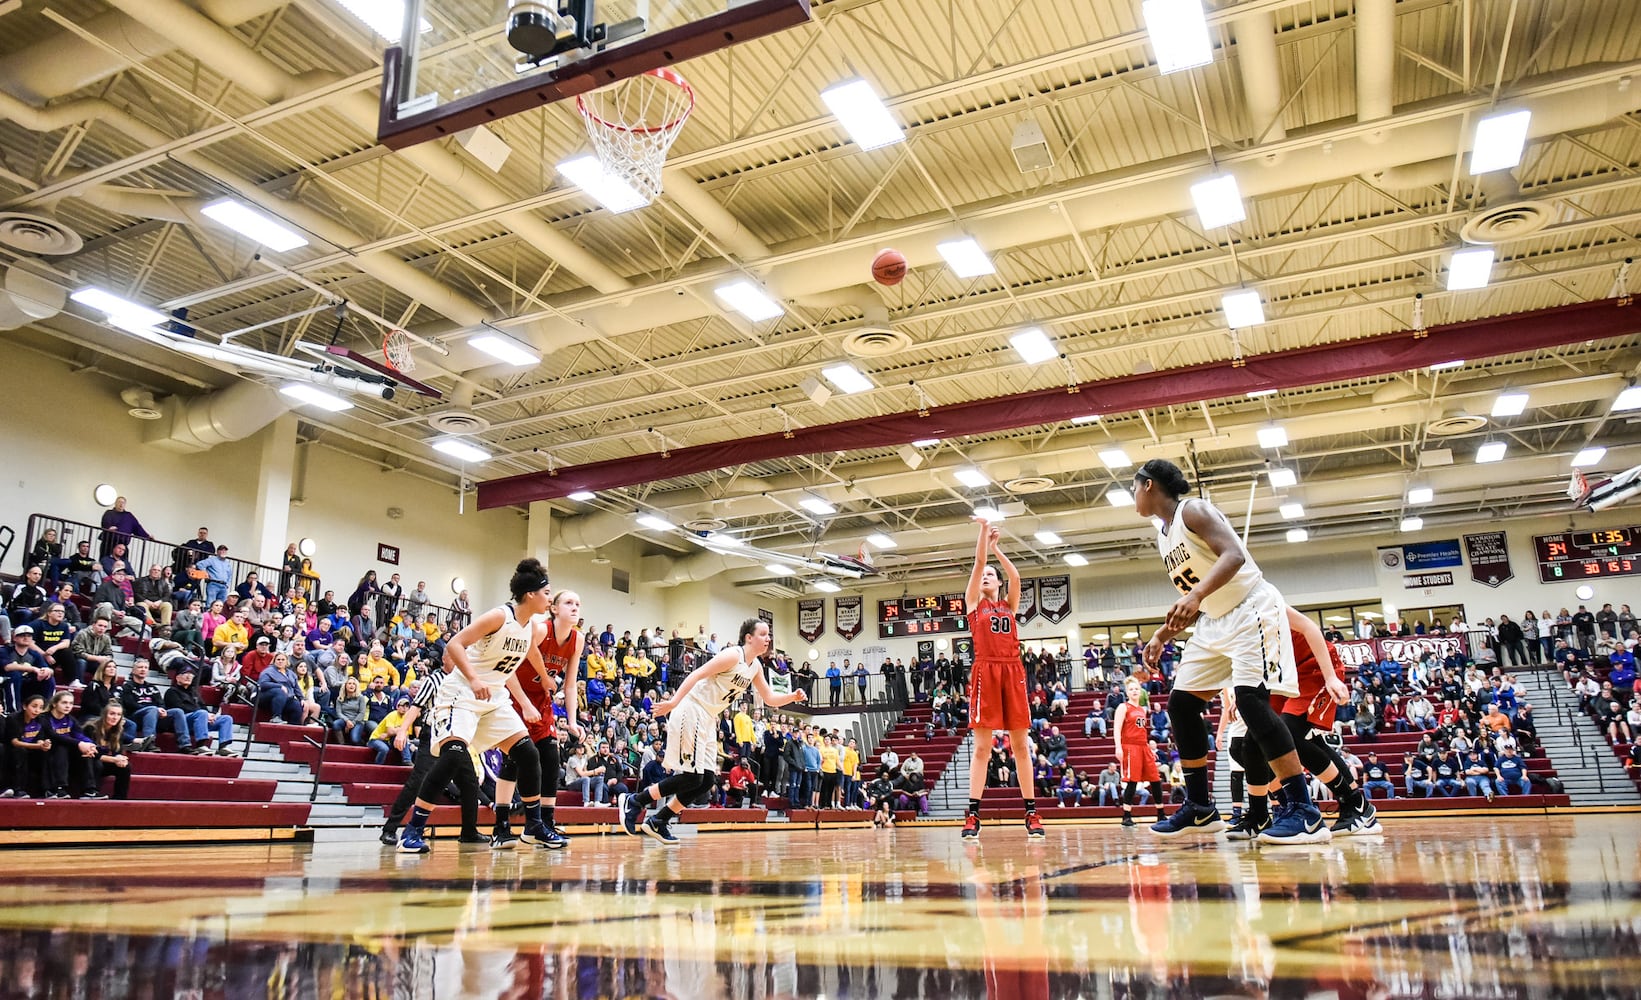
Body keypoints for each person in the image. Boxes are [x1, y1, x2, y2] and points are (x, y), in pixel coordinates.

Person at [1131, 458, 1327, 844]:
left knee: (1251, 703)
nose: (1132, 497)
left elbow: (1234, 555)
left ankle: (1304, 811)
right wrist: (1160, 636)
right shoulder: (1163, 535)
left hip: (1250, 608)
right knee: (1182, 703)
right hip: (1213, 620)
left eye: (1134, 488)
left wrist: (1197, 595)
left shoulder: (1195, 511)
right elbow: (1194, 601)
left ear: (1149, 485)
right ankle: (1201, 807)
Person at [398, 559, 557, 855]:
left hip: (493, 697)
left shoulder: (529, 627)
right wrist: (472, 678)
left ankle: (534, 825)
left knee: (527, 752)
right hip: (462, 693)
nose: (550, 599)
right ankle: (413, 829)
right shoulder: (499, 616)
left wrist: (545, 677)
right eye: (547, 593)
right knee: (454, 756)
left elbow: (527, 653)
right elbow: (455, 644)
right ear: (531, 594)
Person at [619, 618, 806, 845]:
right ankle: (635, 801)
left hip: (708, 718)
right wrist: (673, 702)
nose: (768, 639)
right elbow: (696, 674)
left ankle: (659, 820)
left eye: (769, 635)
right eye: (764, 634)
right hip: (693, 707)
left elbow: (768, 698)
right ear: (749, 637)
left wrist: (792, 697)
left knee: (706, 780)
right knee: (693, 776)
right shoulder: (732, 655)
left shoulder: (755, 666)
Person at [957, 519, 1044, 841]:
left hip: (1012, 671)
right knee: (982, 749)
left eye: (992, 576)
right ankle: (973, 814)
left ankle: (1031, 812)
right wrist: (983, 536)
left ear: (997, 583)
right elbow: (979, 564)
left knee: (1020, 745)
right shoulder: (973, 605)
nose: (986, 577)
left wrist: (998, 549)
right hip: (986, 672)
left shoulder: (1009, 605)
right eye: (984, 576)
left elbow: (1016, 577)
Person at [1113, 675, 1165, 827]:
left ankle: (1161, 814)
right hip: (1130, 746)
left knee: (1155, 778)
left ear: (1141, 691)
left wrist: (1149, 748)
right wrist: (1118, 747)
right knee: (1132, 781)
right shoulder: (1123, 707)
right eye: (1131, 689)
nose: (1134, 691)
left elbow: (1142, 731)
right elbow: (1116, 729)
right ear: (1127, 692)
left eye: (1136, 688)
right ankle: (1126, 815)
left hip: (1143, 746)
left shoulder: (1142, 709)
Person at [1, 694, 51, 798]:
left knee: (48, 753)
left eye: (41, 708)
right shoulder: (13, 718)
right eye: (34, 706)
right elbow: (15, 742)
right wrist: (38, 746)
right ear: (25, 706)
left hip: (31, 748)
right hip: (12, 749)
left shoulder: (41, 719)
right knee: (20, 751)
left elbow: (39, 739)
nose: (37, 710)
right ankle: (18, 789)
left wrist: (44, 744)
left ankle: (47, 790)